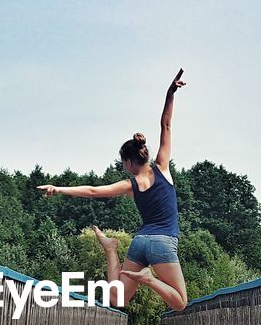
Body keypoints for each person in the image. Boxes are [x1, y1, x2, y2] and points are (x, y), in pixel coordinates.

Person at [37, 69, 189, 311]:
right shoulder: (162, 166)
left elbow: (93, 191)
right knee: (180, 302)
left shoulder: (130, 185)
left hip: (140, 242)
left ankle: (110, 248)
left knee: (117, 300)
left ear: (128, 163)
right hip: (163, 242)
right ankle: (148, 279)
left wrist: (58, 189)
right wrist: (170, 93)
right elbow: (166, 125)